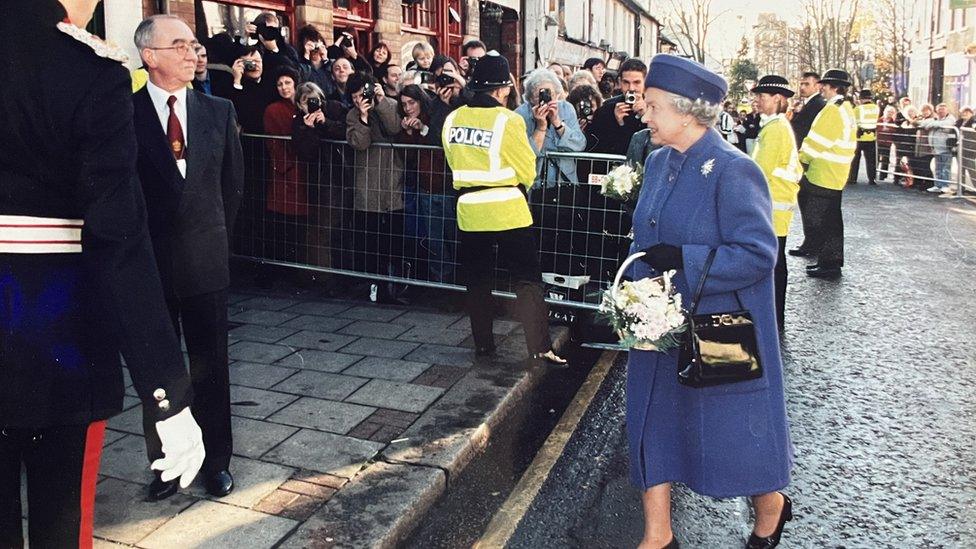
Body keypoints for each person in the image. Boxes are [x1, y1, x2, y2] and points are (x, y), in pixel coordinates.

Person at [1, 2, 206, 546]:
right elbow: (117, 240)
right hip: (56, 337)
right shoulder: (87, 70)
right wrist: (166, 392)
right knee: (59, 522)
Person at [629, 54, 793, 549]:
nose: (644, 114)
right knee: (650, 421)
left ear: (687, 112)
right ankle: (657, 535)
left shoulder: (734, 170)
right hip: (657, 323)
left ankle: (771, 508)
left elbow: (758, 255)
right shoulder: (657, 161)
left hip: (719, 329)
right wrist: (634, 290)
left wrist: (686, 259)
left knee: (731, 435)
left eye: (652, 105)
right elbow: (648, 238)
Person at [132, 14, 244, 500]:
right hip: (149, 265)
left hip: (205, 260)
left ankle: (216, 460)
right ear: (149, 56)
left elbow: (232, 187)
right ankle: (166, 464)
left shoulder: (217, 111)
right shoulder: (124, 112)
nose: (191, 52)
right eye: (177, 44)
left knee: (210, 364)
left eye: (193, 44)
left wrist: (216, 239)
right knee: (159, 372)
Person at [440, 53, 566, 366]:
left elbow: (453, 162)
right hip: (508, 208)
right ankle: (539, 347)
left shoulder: (453, 119)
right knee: (527, 280)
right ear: (502, 90)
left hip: (469, 210)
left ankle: (484, 346)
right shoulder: (507, 120)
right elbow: (527, 170)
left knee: (478, 280)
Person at [345, 73, 407, 301]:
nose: (359, 99)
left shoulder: (388, 104)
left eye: (362, 94)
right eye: (354, 97)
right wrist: (362, 116)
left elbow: (393, 127)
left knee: (393, 241)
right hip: (367, 185)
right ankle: (373, 288)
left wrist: (380, 102)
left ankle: (393, 289)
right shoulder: (353, 115)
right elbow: (359, 143)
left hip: (391, 181)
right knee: (369, 241)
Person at [750, 75, 802, 332]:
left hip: (772, 207)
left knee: (775, 265)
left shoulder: (776, 129)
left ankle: (773, 320)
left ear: (778, 99)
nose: (756, 100)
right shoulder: (774, 126)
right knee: (776, 262)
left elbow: (759, 171)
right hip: (775, 206)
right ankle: (774, 318)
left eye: (762, 96)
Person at [793, 69, 856, 278]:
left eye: (825, 85)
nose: (822, 88)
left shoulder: (832, 110)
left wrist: (801, 159)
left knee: (824, 221)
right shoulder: (845, 107)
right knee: (832, 220)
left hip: (824, 172)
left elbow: (817, 142)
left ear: (833, 87)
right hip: (835, 172)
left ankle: (828, 264)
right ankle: (829, 261)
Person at [396, 84, 457, 283]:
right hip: (426, 188)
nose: (408, 108)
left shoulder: (434, 117)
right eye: (404, 104)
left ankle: (459, 285)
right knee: (434, 242)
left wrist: (422, 130)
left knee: (453, 238)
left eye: (411, 103)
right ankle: (441, 285)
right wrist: (407, 134)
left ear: (421, 101)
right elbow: (408, 157)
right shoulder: (407, 122)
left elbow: (441, 145)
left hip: (446, 187)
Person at [262, 68, 308, 265]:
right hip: (286, 171)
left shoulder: (303, 106)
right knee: (284, 221)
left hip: (305, 169)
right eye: (280, 84)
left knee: (301, 222)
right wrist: (285, 167)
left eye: (287, 83)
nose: (284, 88)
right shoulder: (273, 109)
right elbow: (273, 143)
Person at [515, 68, 587, 187]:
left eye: (550, 94)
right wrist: (541, 126)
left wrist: (557, 122)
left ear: (557, 94)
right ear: (530, 98)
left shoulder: (566, 108)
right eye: (540, 95)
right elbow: (524, 154)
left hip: (564, 182)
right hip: (536, 181)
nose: (546, 99)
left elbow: (579, 145)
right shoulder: (520, 114)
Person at [585, 58, 648, 155]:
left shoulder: (655, 108)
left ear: (645, 82)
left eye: (637, 82)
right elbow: (598, 147)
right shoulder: (606, 109)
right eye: (626, 82)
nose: (631, 88)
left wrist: (646, 116)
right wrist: (617, 123)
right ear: (620, 82)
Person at [226, 46, 278, 133]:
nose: (254, 65)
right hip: (249, 139)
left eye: (257, 61)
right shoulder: (234, 84)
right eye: (249, 62)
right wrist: (237, 80)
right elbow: (236, 112)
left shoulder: (272, 82)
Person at [915, 102, 957, 193]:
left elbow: (947, 124)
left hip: (945, 147)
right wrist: (934, 123)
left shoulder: (951, 118)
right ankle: (938, 185)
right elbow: (923, 123)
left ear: (947, 110)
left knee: (945, 168)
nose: (941, 112)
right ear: (936, 111)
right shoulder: (935, 118)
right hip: (935, 147)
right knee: (938, 167)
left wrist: (933, 124)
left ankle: (945, 185)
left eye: (943, 110)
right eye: (939, 110)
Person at [849, 89, 880, 185]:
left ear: (861, 99)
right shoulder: (876, 108)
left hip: (858, 137)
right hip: (871, 137)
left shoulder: (858, 109)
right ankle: (872, 179)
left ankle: (852, 178)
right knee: (871, 160)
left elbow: (851, 121)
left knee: (855, 160)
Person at [790, 71, 826, 148]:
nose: (802, 87)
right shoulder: (811, 102)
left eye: (807, 84)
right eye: (801, 84)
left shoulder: (818, 104)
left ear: (818, 86)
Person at [876, 105, 898, 182]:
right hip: (878, 141)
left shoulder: (893, 121)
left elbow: (894, 130)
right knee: (876, 158)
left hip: (887, 142)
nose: (890, 113)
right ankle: (874, 174)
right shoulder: (879, 120)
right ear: (885, 111)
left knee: (885, 159)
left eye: (892, 112)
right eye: (889, 112)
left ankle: (882, 176)